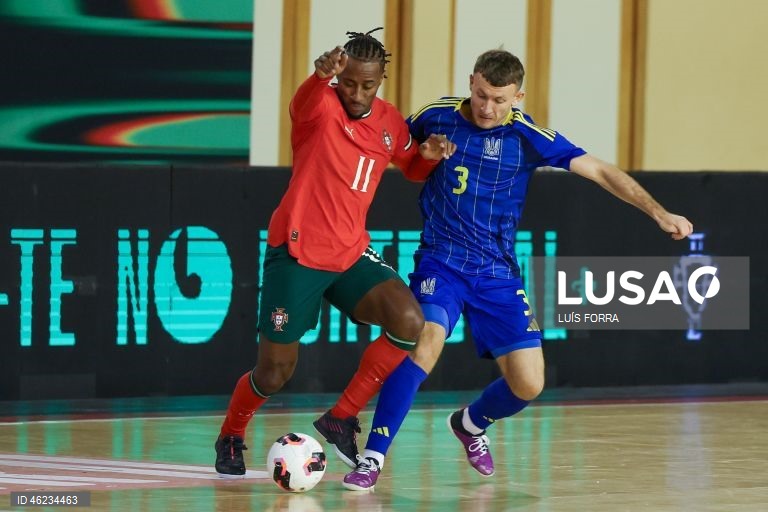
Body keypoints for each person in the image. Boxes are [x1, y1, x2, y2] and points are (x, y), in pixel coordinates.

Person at [320, 49, 694, 491]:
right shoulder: (436, 115)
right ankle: (373, 457)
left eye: (499, 100)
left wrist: (658, 212)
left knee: (529, 383)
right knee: (426, 341)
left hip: (497, 272)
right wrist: (413, 152)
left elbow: (600, 171)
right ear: (471, 81)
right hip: (441, 260)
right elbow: (389, 143)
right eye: (480, 95)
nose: (487, 107)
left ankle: (470, 423)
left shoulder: (526, 135)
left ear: (518, 96)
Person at [214, 28, 455, 477]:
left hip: (349, 253)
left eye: (368, 85)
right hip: (298, 253)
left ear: (381, 79)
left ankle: (340, 417)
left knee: (409, 322)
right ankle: (231, 434)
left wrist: (430, 155)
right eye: (349, 82)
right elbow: (302, 102)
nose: (357, 93)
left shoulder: (388, 121)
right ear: (338, 75)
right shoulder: (319, 104)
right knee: (274, 373)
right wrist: (318, 76)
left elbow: (411, 167)